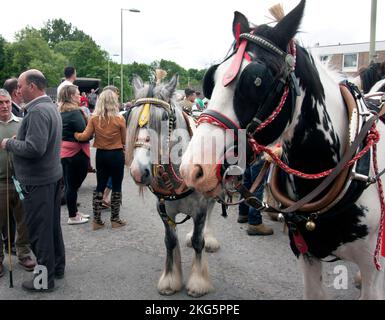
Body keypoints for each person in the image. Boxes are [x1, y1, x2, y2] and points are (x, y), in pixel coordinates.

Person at [0, 69, 65, 292]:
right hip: (50, 177)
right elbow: (41, 142)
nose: (18, 90)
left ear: (32, 87)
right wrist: (22, 139)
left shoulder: (37, 111)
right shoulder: (48, 106)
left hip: (39, 181)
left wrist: (10, 143)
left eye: (20, 85)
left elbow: (35, 149)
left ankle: (43, 280)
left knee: (39, 232)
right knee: (52, 227)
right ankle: (57, 267)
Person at [75, 90, 126, 230]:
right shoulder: (120, 119)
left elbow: (85, 136)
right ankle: (115, 219)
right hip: (116, 154)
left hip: (101, 155)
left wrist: (75, 134)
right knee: (117, 186)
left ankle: (97, 220)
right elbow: (124, 140)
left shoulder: (94, 118)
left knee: (100, 185)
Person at [0, 89, 36, 278]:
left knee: (24, 221)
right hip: (0, 183)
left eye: (6, 102)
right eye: (0, 103)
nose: (5, 106)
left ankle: (23, 252)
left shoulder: (21, 123)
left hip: (21, 181)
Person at [58, 85, 91, 225]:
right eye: (78, 94)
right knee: (72, 186)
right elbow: (85, 134)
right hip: (76, 153)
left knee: (69, 184)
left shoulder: (61, 112)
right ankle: (72, 216)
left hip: (64, 152)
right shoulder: (75, 113)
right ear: (71, 96)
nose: (80, 96)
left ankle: (74, 212)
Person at [238, 160, 274, 236]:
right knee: (258, 185)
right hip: (260, 151)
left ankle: (243, 213)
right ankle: (255, 223)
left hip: (249, 151)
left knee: (247, 181)